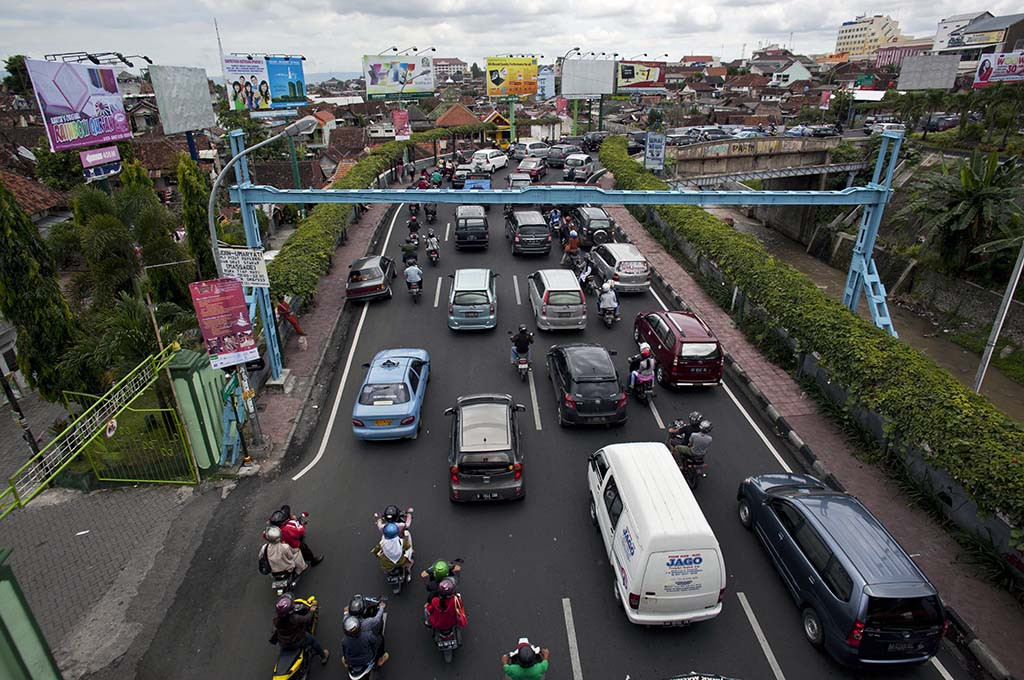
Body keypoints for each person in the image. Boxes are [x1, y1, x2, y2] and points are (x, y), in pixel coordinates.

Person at [271, 594, 329, 665]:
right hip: (297, 641)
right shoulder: (295, 618)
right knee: (313, 641)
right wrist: (311, 611)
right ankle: (323, 656)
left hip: (283, 643)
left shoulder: (276, 621)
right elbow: (307, 619)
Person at [341, 605, 389, 670]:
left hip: (350, 661)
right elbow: (374, 642)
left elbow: (344, 651)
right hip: (367, 659)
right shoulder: (367, 635)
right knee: (380, 638)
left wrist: (346, 613)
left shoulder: (344, 640)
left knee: (344, 656)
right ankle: (380, 659)